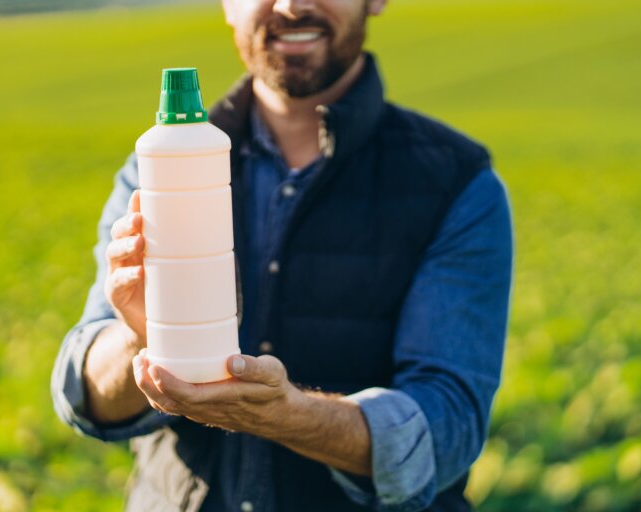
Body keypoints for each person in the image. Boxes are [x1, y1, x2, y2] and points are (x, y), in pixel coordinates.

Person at [51, 0, 513, 510]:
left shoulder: (456, 184)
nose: (293, 5)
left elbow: (448, 429)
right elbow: (84, 397)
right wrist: (139, 334)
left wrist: (290, 415)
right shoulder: (157, 165)